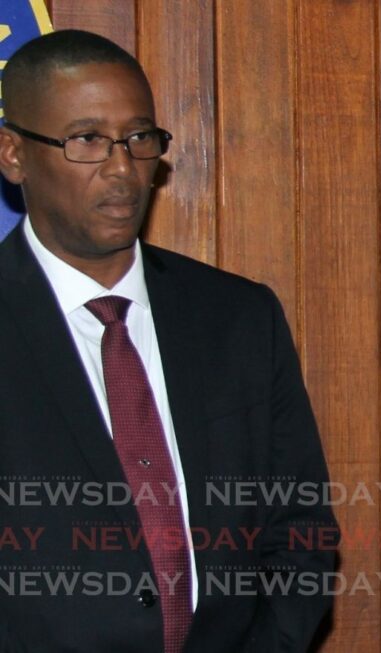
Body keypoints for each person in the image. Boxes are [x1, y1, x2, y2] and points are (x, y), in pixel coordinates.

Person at [0, 30, 338, 651]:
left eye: (139, 138)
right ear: (13, 153)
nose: (123, 167)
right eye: (87, 140)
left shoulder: (238, 316)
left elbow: (302, 531)